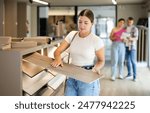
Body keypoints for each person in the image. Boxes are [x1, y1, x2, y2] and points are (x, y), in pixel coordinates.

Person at [51, 9, 105, 96]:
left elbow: (101, 60)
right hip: (72, 77)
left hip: (87, 78)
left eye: (86, 23)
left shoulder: (96, 40)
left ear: (92, 23)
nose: (82, 25)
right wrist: (57, 59)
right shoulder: (72, 35)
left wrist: (96, 68)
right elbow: (58, 51)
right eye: (80, 22)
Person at [125, 17, 138, 82]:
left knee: (133, 61)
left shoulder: (135, 29)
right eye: (128, 21)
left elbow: (136, 38)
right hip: (126, 46)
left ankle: (135, 77)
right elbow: (123, 36)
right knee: (127, 61)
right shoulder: (125, 28)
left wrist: (130, 38)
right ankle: (129, 74)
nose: (129, 23)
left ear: (132, 22)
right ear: (127, 21)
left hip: (132, 47)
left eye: (130, 22)